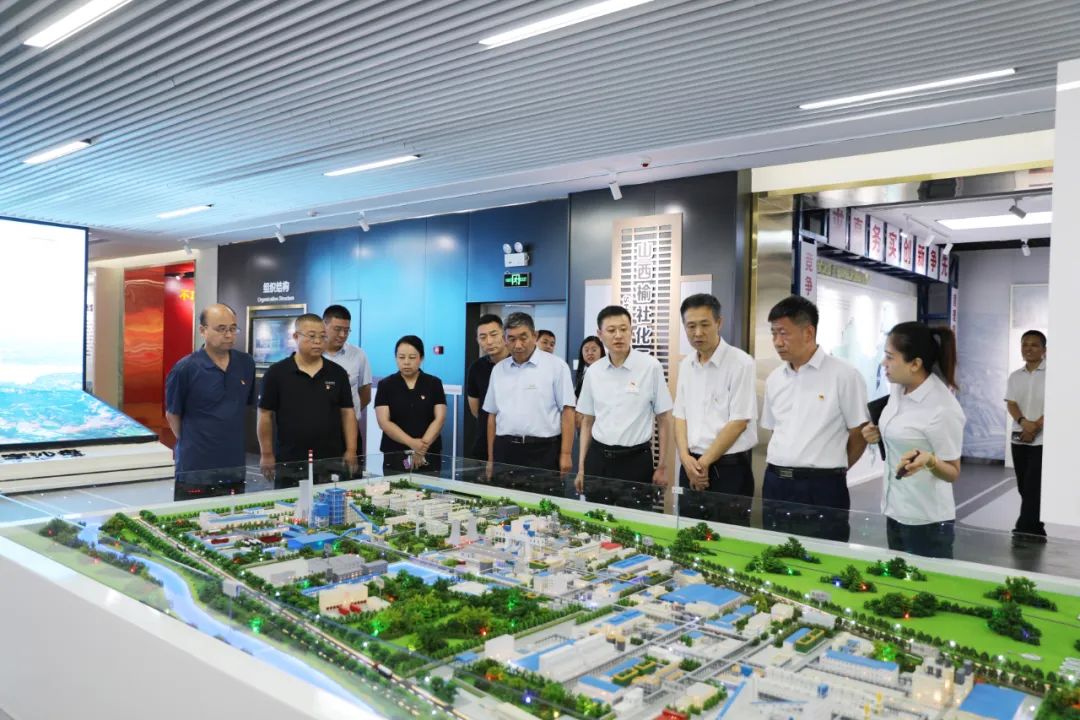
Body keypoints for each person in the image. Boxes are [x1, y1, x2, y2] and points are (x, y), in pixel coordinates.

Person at [762, 295, 868, 542]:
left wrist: (834, 470)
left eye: (783, 333)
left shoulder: (844, 375)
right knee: (775, 551)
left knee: (824, 554)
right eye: (773, 334)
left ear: (808, 332)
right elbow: (774, 429)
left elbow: (859, 433)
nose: (777, 342)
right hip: (776, 483)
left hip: (821, 487)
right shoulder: (774, 379)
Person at [861, 322, 965, 558]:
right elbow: (899, 434)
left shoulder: (943, 409)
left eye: (890, 357)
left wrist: (930, 461)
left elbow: (953, 472)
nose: (883, 363)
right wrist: (875, 434)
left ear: (915, 364)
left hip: (926, 521)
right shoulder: (899, 391)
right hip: (894, 510)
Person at [575, 307, 672, 508]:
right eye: (611, 330)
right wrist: (582, 468)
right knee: (596, 518)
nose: (618, 335)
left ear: (631, 330)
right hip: (598, 459)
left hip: (635, 461)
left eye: (623, 329)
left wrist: (662, 466)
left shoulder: (650, 366)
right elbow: (587, 422)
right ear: (600, 334)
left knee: (635, 519)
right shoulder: (594, 371)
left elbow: (664, 419)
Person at [673, 294, 757, 525]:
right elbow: (680, 416)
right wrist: (685, 459)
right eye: (691, 326)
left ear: (719, 323)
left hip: (728, 470)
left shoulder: (741, 363)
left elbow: (739, 422)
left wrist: (702, 464)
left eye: (705, 324)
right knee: (688, 534)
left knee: (729, 536)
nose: (698, 333)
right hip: (690, 466)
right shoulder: (686, 365)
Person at [165, 304, 256, 500]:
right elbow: (172, 414)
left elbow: (245, 406)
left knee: (232, 516)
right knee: (192, 517)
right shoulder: (185, 368)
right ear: (202, 330)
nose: (229, 335)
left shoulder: (246, 363)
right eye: (221, 329)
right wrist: (193, 439)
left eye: (233, 329)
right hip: (196, 467)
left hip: (233, 464)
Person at [257, 314, 357, 487]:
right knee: (290, 503)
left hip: (330, 458)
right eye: (311, 336)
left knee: (329, 501)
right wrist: (266, 453)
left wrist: (351, 449)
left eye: (322, 336)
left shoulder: (337, 373)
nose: (318, 341)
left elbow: (348, 413)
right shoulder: (276, 373)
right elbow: (264, 415)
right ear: (296, 336)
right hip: (289, 459)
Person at [483, 312, 575, 490]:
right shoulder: (499, 370)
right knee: (504, 502)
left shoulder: (556, 366)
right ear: (505, 339)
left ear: (534, 335)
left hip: (543, 451)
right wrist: (491, 458)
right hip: (505, 449)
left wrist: (566, 453)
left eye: (523, 337)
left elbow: (568, 411)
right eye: (511, 339)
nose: (518, 345)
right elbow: (492, 416)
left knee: (545, 503)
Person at [375, 336, 447, 476]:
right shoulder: (385, 385)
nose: (406, 362)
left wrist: (421, 448)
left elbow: (440, 418)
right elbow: (384, 421)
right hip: (395, 453)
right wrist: (412, 444)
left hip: (429, 452)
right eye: (401, 357)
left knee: (428, 489)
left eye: (412, 357)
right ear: (396, 358)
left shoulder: (434, 383)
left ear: (421, 358)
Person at [1005, 330, 1047, 541]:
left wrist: (1035, 427)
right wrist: (1024, 423)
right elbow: (1011, 404)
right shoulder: (1015, 376)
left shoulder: (1054, 375)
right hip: (1019, 437)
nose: (1028, 349)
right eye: (1025, 344)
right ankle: (1036, 525)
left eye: (1034, 345)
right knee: (1023, 484)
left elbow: (1056, 404)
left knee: (1033, 484)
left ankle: (1024, 528)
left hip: (1042, 440)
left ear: (1044, 350)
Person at [323, 305, 372, 462]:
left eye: (346, 330)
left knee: (350, 473)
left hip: (349, 432)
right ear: (324, 325)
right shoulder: (314, 354)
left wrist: (349, 415)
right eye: (337, 329)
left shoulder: (358, 355)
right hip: (319, 430)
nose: (342, 335)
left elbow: (365, 394)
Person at [466, 314, 509, 461]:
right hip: (484, 440)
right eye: (483, 337)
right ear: (477, 340)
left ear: (504, 335)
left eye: (493, 335)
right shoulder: (476, 368)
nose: (489, 341)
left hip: (512, 442)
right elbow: (476, 410)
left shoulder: (517, 363)